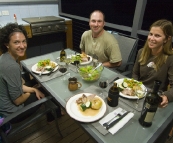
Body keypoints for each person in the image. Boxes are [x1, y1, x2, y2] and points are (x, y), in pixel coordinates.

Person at [0, 23, 62, 127]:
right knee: (47, 89)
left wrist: (33, 89)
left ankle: (56, 112)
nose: (22, 46)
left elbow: (17, 86)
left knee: (38, 83)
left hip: (5, 102)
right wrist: (32, 91)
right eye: (16, 42)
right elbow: (17, 100)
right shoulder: (11, 66)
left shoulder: (4, 57)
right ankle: (53, 116)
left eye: (24, 41)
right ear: (7, 44)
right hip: (12, 113)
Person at [132, 19, 173, 108]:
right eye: (151, 34)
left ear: (167, 39)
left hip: (155, 98)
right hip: (138, 93)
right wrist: (135, 87)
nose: (151, 38)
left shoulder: (170, 59)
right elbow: (135, 73)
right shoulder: (141, 52)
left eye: (157, 36)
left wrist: (166, 96)